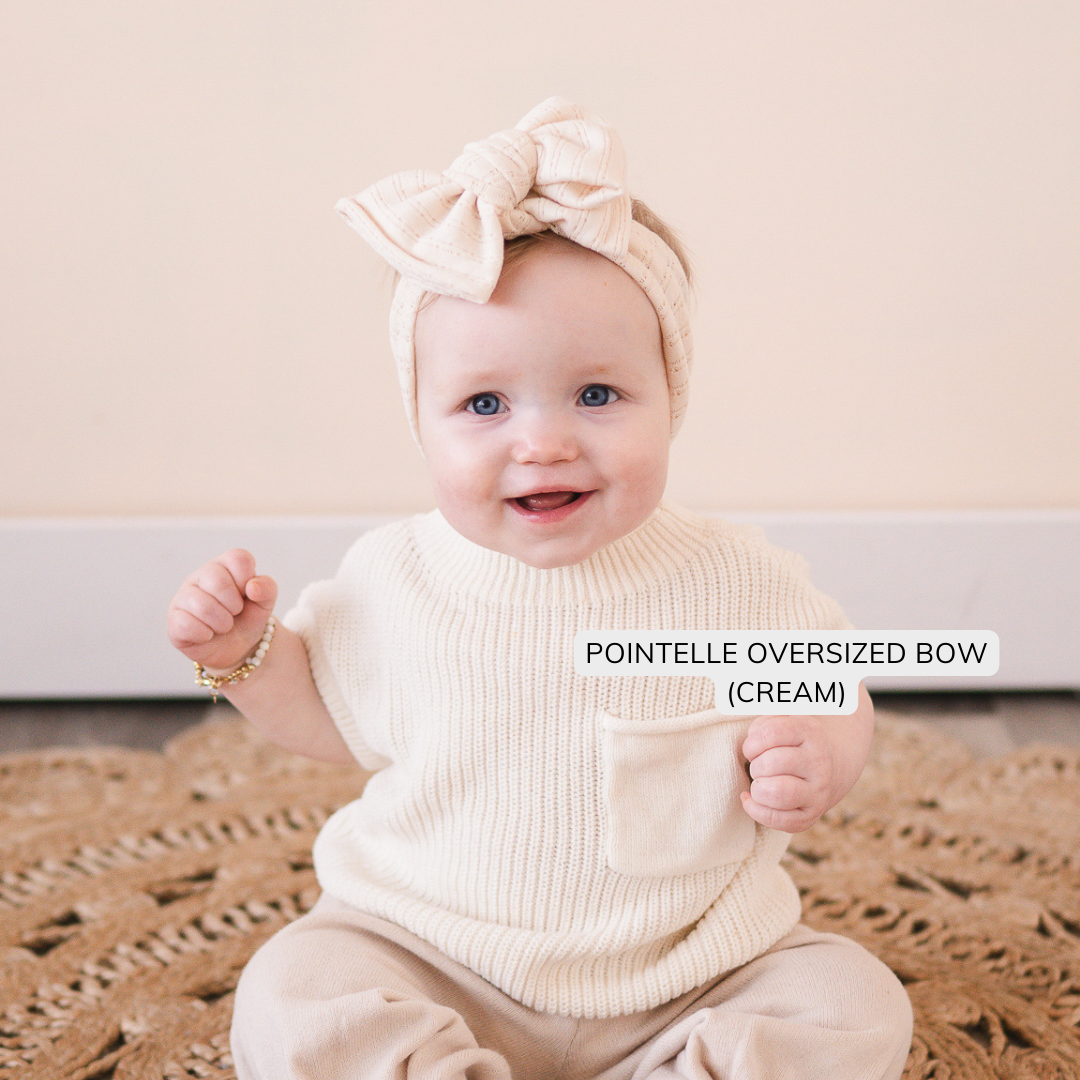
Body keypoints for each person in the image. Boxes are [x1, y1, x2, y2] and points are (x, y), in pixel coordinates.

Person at [167, 98, 912, 1080]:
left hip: (691, 973)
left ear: (670, 399)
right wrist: (245, 655)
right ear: (423, 423)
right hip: (430, 954)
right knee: (293, 992)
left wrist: (821, 750)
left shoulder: (735, 578)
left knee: (851, 1004)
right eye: (484, 403)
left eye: (597, 394)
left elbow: (833, 688)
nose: (544, 441)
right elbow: (326, 711)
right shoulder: (397, 575)